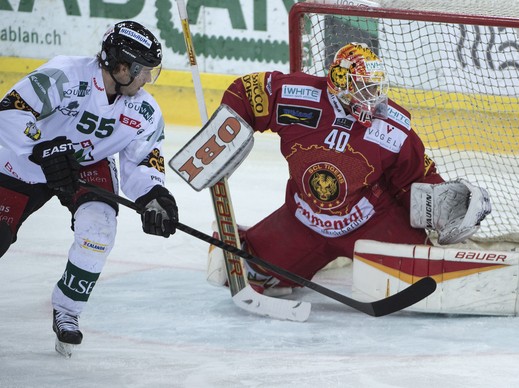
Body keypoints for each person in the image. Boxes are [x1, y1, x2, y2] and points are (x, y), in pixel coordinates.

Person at [208, 42, 491, 295]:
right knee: (253, 271)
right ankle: (259, 243)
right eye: (364, 87)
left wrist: (438, 201)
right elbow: (247, 92)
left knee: (426, 282)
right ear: (341, 82)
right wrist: (222, 137)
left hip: (371, 222)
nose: (374, 96)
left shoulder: (392, 127)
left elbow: (412, 179)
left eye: (376, 87)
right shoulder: (298, 98)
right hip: (303, 220)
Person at [0, 21, 179, 353]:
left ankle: (67, 310)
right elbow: (10, 113)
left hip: (86, 166)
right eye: (142, 71)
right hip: (24, 162)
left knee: (98, 231)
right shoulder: (64, 74)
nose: (145, 81)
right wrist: (42, 148)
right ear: (120, 65)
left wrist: (155, 195)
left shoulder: (145, 110)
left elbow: (143, 158)